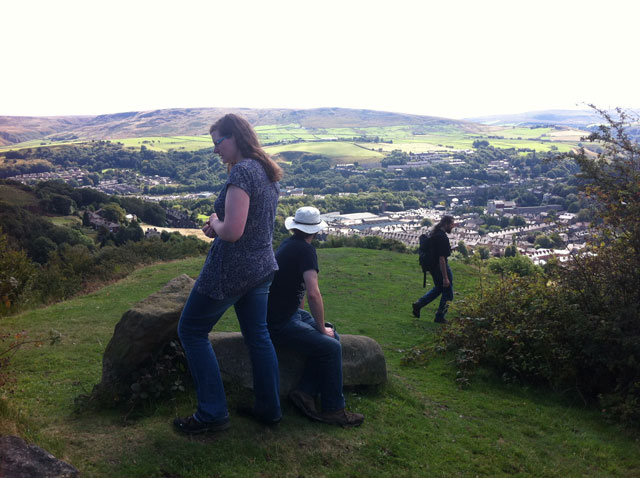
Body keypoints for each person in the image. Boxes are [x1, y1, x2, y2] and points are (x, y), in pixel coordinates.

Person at [173, 114, 284, 434]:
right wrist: (217, 227)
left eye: (217, 143)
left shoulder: (243, 173)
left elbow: (233, 231)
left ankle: (212, 413)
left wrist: (216, 223)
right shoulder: (266, 170)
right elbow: (245, 225)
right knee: (258, 336)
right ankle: (269, 409)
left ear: (235, 137)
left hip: (231, 270)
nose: (215, 150)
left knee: (191, 330)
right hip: (262, 266)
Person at [266, 206, 365, 427]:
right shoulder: (306, 250)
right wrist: (320, 327)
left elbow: (294, 286)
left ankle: (305, 392)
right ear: (316, 230)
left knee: (333, 337)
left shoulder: (288, 244)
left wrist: (314, 323)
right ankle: (333, 410)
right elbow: (313, 292)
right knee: (331, 346)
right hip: (281, 321)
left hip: (285, 313)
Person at [412, 215, 455, 323]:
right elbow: (441, 258)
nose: (453, 227)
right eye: (451, 224)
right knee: (448, 292)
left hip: (431, 266)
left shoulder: (434, 233)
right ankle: (440, 316)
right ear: (445, 224)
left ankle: (419, 304)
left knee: (439, 288)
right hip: (439, 266)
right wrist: (445, 277)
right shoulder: (442, 237)